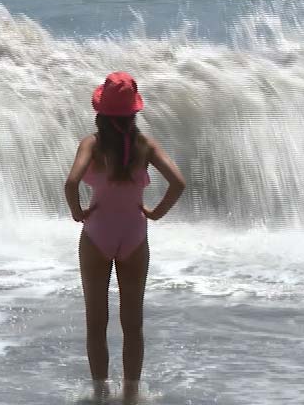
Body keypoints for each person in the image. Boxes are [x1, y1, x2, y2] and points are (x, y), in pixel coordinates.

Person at [64, 71, 186, 402]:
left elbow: (71, 183)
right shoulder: (145, 146)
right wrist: (156, 212)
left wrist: (77, 212)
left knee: (96, 323)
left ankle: (101, 394)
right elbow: (178, 183)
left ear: (101, 112)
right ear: (134, 111)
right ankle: (131, 396)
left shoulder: (91, 144)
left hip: (97, 235)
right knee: (133, 325)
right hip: (134, 235)